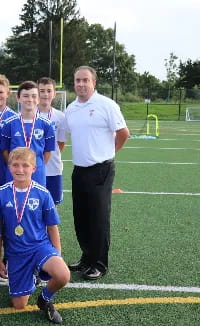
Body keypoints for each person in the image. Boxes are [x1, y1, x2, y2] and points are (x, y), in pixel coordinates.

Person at [60, 66, 130, 281]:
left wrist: (109, 153)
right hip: (79, 169)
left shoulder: (106, 105)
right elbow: (62, 137)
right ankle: (87, 257)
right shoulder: (71, 109)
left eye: (85, 80)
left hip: (101, 169)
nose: (81, 84)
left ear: (94, 83)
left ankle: (99, 263)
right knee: (81, 217)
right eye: (77, 80)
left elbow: (123, 133)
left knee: (98, 218)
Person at [0, 147, 70, 324]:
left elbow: (52, 227)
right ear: (9, 167)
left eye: (25, 166)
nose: (20, 170)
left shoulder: (42, 193)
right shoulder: (0, 194)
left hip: (39, 247)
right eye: (15, 165)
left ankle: (44, 298)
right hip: (16, 253)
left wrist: (57, 253)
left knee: (63, 275)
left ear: (34, 169)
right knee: (19, 305)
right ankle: (33, 276)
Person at [0, 81, 55, 186]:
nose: (30, 99)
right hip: (14, 172)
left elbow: (47, 152)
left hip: (37, 172)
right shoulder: (8, 124)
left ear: (38, 99)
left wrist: (35, 166)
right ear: (18, 98)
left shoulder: (47, 125)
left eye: (34, 96)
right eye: (25, 96)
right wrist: (14, 165)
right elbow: (4, 150)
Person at [37, 77, 66, 205]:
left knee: (53, 206)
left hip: (53, 168)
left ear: (54, 94)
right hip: (33, 169)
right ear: (36, 93)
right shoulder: (28, 114)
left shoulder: (60, 116)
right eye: (42, 91)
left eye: (49, 91)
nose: (45, 94)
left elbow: (60, 144)